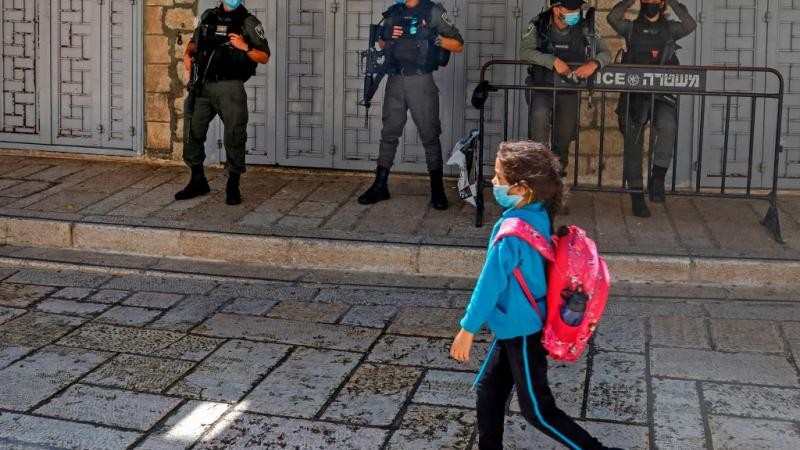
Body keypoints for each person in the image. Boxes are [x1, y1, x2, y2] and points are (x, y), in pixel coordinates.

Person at [450, 141, 620, 450]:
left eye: (499, 178)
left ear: (522, 188)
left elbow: (488, 286)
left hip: (524, 333)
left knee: (539, 412)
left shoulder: (511, 235)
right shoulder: (539, 212)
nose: (493, 183)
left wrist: (467, 329)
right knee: (489, 392)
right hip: (518, 325)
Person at [357, 0, 464, 210]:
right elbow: (382, 45)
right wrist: (386, 36)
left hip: (421, 81)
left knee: (429, 134)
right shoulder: (394, 12)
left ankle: (437, 189)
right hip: (395, 79)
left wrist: (433, 37)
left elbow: (458, 44)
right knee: (389, 132)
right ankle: (380, 185)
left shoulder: (433, 12)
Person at [176, 0, 270, 206]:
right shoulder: (208, 16)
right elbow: (195, 41)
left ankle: (233, 184)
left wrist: (244, 46)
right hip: (202, 85)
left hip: (230, 87)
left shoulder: (249, 22)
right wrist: (187, 53)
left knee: (234, 133)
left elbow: (264, 56)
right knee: (192, 128)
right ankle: (197, 179)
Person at [608, 0, 696, 217]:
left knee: (668, 126)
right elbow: (613, 18)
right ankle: (637, 196)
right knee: (633, 143)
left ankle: (658, 179)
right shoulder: (631, 27)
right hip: (634, 95)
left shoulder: (670, 29)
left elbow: (690, 23)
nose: (652, 2)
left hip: (661, 95)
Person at [520, 0, 611, 183]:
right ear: (556, 9)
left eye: (577, 8)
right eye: (570, 9)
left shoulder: (586, 26)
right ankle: (539, 183)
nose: (575, 12)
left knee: (564, 137)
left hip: (569, 89)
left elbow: (605, 53)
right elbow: (525, 52)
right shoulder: (539, 23)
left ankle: (556, 187)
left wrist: (593, 64)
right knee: (539, 123)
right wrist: (553, 61)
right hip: (542, 86)